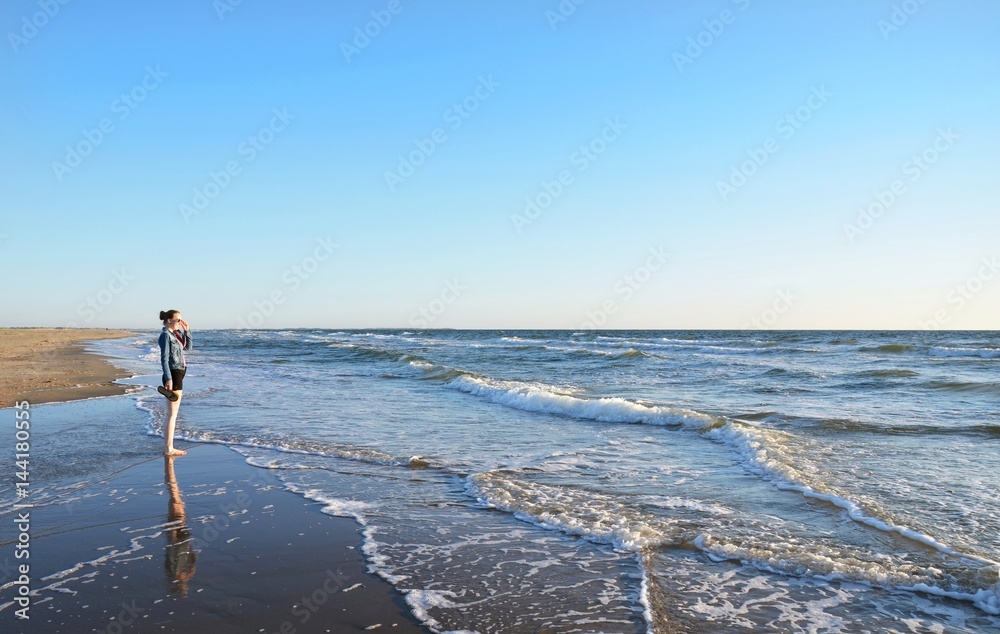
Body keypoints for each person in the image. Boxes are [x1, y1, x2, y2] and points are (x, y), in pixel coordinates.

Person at [157, 309, 192, 457]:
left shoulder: (175, 335)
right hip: (173, 374)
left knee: (173, 414)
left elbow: (188, 348)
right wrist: (169, 379)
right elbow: (164, 359)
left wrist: (187, 331)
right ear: (169, 320)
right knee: (172, 414)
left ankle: (169, 447)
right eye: (178, 320)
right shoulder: (165, 335)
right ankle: (168, 449)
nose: (180, 322)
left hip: (179, 373)